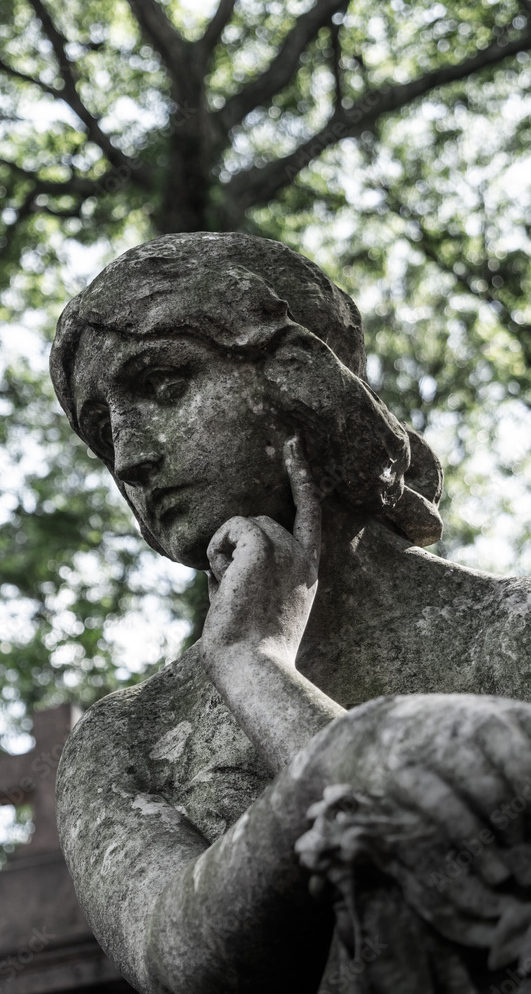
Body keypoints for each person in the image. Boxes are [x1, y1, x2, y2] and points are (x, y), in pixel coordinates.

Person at [50, 232, 531, 994]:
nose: (132, 456)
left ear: (300, 376)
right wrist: (347, 754)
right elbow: (182, 961)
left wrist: (256, 667)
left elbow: (487, 874)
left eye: (166, 385)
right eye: (104, 432)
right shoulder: (124, 740)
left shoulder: (515, 630)